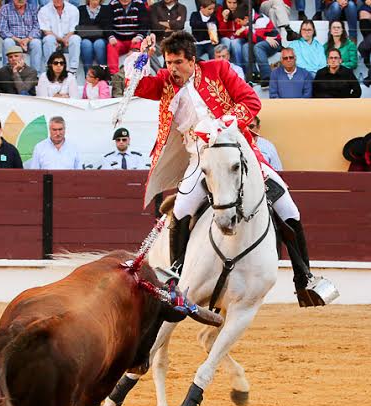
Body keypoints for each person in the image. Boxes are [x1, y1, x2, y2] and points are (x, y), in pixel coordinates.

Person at [130, 30, 321, 305]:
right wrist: (141, 56)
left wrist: (221, 125)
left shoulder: (218, 70)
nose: (172, 68)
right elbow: (135, 87)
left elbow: (251, 101)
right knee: (182, 208)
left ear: (192, 60)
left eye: (178, 62)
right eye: (169, 62)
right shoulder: (164, 82)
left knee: (288, 208)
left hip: (237, 152)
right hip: (199, 158)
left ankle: (304, 280)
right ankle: (176, 275)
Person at [234, 5, 282, 87]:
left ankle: (266, 76)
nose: (238, 23)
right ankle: (254, 74)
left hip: (274, 43)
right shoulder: (247, 21)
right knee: (246, 47)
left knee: (258, 46)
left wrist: (245, 30)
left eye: (239, 21)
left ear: (246, 18)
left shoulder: (260, 19)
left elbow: (258, 39)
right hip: (262, 42)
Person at [0, 0, 43, 74]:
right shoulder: (5, 9)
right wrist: (18, 40)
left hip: (29, 40)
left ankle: (35, 74)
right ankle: (8, 73)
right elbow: (2, 30)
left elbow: (37, 28)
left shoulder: (33, 8)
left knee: (36, 43)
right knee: (7, 42)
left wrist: (27, 39)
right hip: (14, 40)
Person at [106, 0, 150, 75]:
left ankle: (135, 74)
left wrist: (139, 36)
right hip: (118, 40)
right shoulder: (112, 5)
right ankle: (114, 75)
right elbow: (107, 24)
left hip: (134, 40)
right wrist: (111, 37)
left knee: (139, 45)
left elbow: (144, 24)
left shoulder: (139, 4)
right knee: (111, 46)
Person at [38, 0, 81, 74]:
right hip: (53, 39)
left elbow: (73, 29)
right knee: (48, 39)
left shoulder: (73, 9)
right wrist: (60, 40)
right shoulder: (44, 10)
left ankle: (72, 70)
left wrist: (65, 39)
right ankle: (50, 69)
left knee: (76, 39)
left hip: (67, 39)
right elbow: (46, 30)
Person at [149, 0, 187, 73]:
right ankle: (161, 72)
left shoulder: (182, 8)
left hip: (175, 41)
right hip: (159, 41)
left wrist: (162, 23)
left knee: (182, 48)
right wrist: (174, 23)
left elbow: (180, 25)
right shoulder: (155, 7)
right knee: (148, 50)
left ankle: (173, 72)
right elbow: (154, 26)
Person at [77, 0, 110, 74]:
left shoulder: (106, 9)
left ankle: (103, 74)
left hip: (101, 39)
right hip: (85, 39)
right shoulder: (81, 9)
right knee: (86, 44)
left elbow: (106, 27)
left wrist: (89, 29)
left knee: (98, 44)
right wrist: (98, 30)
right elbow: (80, 28)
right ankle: (88, 75)